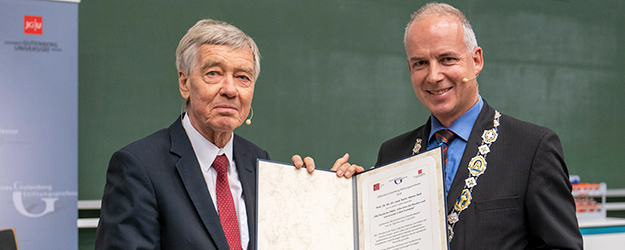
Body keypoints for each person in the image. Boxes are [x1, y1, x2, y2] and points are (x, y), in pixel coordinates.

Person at [317, 2, 583, 249]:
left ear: (476, 60)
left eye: (447, 59)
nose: (434, 76)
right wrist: (345, 198)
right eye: (421, 63)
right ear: (410, 69)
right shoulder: (392, 154)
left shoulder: (532, 148)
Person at [95, 19, 313, 250]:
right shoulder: (139, 167)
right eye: (214, 73)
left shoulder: (259, 162)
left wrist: (325, 190)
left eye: (243, 77)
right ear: (184, 83)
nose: (230, 89)